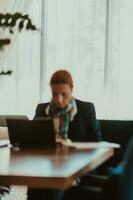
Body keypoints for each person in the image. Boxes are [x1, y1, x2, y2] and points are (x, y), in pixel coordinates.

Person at [27, 69, 102, 200]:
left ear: (72, 90)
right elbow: (33, 138)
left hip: (77, 168)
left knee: (53, 185)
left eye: (64, 94)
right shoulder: (42, 109)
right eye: (54, 94)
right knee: (37, 183)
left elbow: (97, 143)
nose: (59, 100)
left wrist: (70, 144)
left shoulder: (86, 109)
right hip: (45, 165)